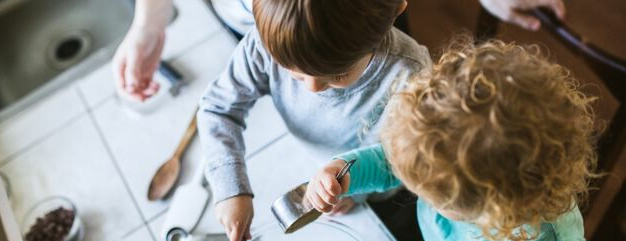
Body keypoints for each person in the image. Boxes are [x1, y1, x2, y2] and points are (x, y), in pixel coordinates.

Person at [303, 39, 599, 241]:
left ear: (492, 207)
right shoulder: (446, 156)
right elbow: (395, 161)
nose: (416, 193)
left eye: (430, 195)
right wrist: (343, 173)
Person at [198, 0, 431, 241]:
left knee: (400, 239)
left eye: (338, 75)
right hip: (319, 167)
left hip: (383, 194)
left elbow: (410, 158)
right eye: (295, 74)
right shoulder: (270, 41)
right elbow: (218, 108)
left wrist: (356, 185)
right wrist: (229, 188)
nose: (313, 88)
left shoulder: (411, 75)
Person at [112, 0, 566, 102]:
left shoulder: (398, 60)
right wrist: (149, 21)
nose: (311, 89)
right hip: (249, 24)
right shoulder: (261, 42)